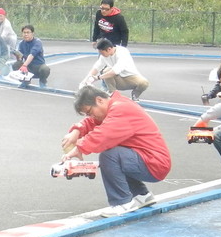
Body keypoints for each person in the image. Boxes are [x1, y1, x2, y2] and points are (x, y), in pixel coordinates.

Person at [60, 85, 172, 217]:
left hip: (154, 163)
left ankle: (122, 203)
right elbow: (92, 122)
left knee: (110, 156)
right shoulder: (116, 106)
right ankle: (142, 195)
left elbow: (103, 135)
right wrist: (77, 130)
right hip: (151, 160)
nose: (90, 116)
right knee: (118, 154)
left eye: (89, 111)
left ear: (99, 100)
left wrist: (80, 148)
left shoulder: (121, 109)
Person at [80, 38, 150, 101]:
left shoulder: (122, 52)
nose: (101, 54)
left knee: (144, 83)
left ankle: (135, 95)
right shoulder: (103, 56)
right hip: (118, 80)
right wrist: (84, 81)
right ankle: (112, 93)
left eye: (102, 52)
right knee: (107, 70)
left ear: (109, 49)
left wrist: (98, 78)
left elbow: (115, 71)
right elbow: (96, 68)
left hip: (130, 78)